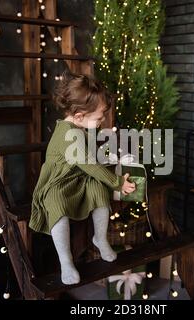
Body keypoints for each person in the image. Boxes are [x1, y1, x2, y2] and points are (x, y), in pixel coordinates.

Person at [29, 72, 136, 285]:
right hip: (58, 181)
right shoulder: (69, 135)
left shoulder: (80, 127)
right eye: (99, 117)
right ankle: (65, 260)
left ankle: (100, 238)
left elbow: (90, 163)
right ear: (79, 116)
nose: (103, 120)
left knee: (98, 190)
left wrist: (111, 173)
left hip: (78, 177)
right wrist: (117, 182)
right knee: (57, 203)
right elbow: (90, 164)